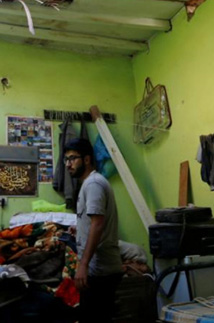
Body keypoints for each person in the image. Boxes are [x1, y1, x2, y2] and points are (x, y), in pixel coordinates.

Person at [64, 138, 122, 323]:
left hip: (100, 270)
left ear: (87, 159)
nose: (68, 164)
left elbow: (98, 224)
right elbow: (92, 221)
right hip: (98, 268)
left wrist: (83, 265)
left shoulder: (93, 184)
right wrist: (79, 228)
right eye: (66, 160)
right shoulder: (89, 183)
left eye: (73, 158)